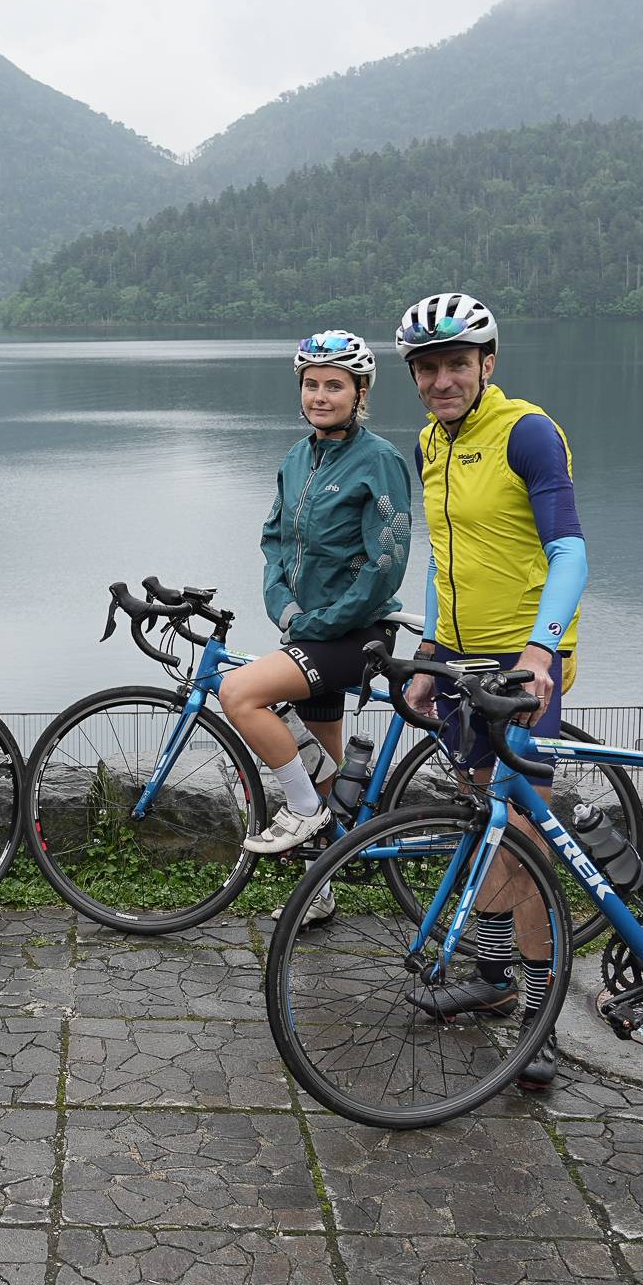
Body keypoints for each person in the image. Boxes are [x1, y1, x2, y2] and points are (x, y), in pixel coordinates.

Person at [394, 292, 587, 1091]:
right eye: (428, 368)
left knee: (525, 833)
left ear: (487, 365)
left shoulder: (528, 433)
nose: (442, 380)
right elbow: (443, 560)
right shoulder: (429, 446)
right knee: (485, 820)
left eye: (456, 365)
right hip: (465, 661)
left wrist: (541, 653)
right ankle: (496, 975)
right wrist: (432, 651)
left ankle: (540, 1012)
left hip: (523, 660)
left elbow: (570, 551)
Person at [217, 331, 414, 923]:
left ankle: (301, 811)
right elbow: (274, 542)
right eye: (312, 384)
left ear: (360, 392)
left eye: (335, 385)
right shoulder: (295, 459)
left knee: (240, 692)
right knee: (325, 768)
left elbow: (388, 560)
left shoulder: (379, 458)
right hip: (308, 631)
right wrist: (286, 610)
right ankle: (319, 890)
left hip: (358, 632)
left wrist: (324, 623)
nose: (321, 395)